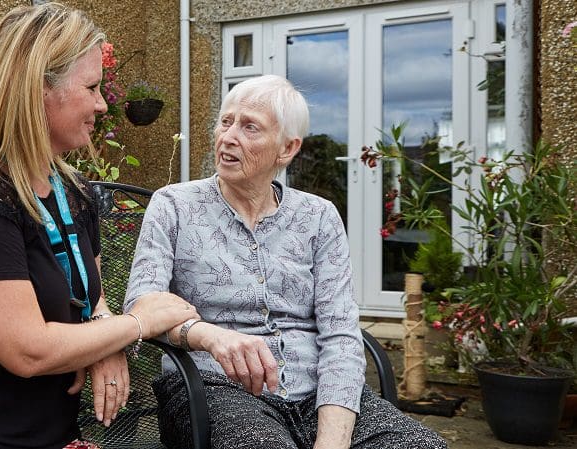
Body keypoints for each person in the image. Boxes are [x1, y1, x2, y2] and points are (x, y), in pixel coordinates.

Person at [0, 4, 198, 449]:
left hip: (46, 436)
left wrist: (107, 341)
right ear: (39, 90)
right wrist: (137, 324)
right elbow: (28, 350)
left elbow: (91, 294)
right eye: (92, 87)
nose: (102, 104)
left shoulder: (73, 190)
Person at [124, 75, 447, 449]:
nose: (228, 137)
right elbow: (140, 308)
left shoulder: (319, 216)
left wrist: (332, 439)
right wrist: (208, 336)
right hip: (211, 387)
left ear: (287, 149)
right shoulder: (174, 205)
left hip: (316, 394)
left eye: (249, 128)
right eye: (226, 121)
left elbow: (341, 334)